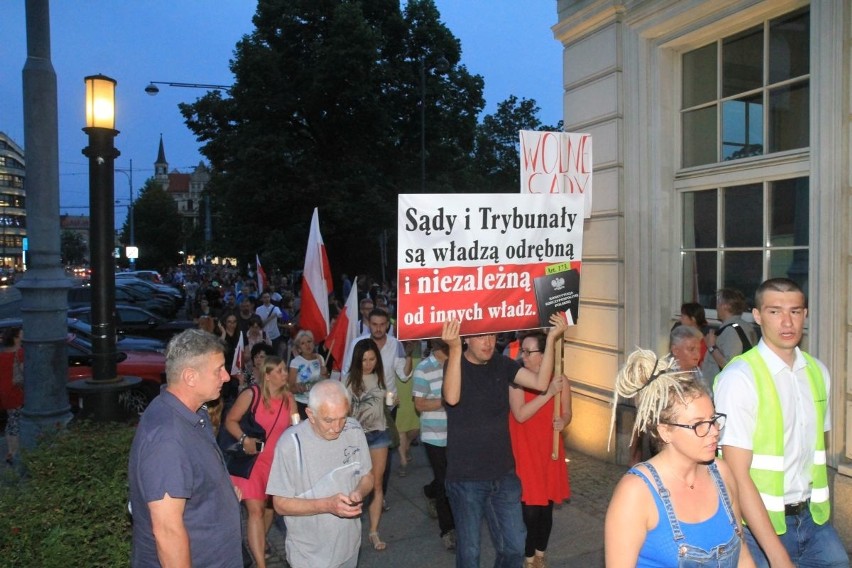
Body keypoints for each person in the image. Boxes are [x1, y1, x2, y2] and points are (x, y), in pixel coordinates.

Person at [714, 278, 849, 567]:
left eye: (795, 311)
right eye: (775, 311)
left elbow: (813, 456)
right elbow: (736, 474)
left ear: (805, 314)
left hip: (813, 521)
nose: (787, 322)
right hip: (755, 526)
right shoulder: (740, 378)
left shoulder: (817, 372)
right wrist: (777, 556)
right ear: (758, 316)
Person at [605, 347, 754, 567]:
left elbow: (742, 557)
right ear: (665, 431)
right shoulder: (636, 493)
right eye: (699, 424)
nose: (714, 431)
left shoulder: (721, 473)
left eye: (713, 419)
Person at [440, 313, 568, 568]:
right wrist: (453, 349)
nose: (488, 342)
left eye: (492, 335)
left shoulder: (503, 364)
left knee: (514, 547)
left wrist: (552, 338)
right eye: (479, 336)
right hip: (466, 478)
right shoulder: (454, 363)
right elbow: (452, 398)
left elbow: (541, 383)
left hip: (503, 475)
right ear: (466, 340)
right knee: (470, 552)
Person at [128, 328, 242, 567]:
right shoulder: (167, 438)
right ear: (190, 377)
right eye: (218, 370)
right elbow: (168, 531)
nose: (226, 377)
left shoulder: (191, 414)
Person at [267, 380, 373, 568]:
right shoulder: (290, 444)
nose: (338, 427)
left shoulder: (354, 429)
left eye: (343, 417)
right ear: (310, 414)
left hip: (350, 547)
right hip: (311, 557)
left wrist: (358, 492)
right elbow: (280, 504)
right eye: (329, 420)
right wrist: (327, 505)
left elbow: (368, 476)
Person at [509, 331, 572, 568]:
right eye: (522, 351)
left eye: (528, 351)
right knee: (530, 510)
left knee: (545, 507)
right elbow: (521, 414)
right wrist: (548, 394)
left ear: (545, 355)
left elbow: (567, 412)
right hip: (525, 449)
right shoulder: (515, 378)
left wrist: (564, 421)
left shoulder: (560, 380)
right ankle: (528, 557)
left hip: (549, 449)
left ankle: (540, 554)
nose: (523, 355)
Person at [225, 355, 294, 568]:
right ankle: (261, 563)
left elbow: (295, 429)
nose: (285, 374)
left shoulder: (288, 398)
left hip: (276, 463)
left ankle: (258, 541)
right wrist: (244, 439)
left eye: (285, 370)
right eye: (280, 371)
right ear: (267, 375)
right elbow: (230, 421)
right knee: (255, 510)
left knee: (270, 508)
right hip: (253, 461)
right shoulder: (251, 395)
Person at [345, 338, 391, 551]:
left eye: (372, 359)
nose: (369, 363)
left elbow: (387, 403)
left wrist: (393, 401)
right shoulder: (348, 381)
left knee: (377, 483)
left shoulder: (380, 378)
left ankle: (373, 531)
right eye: (364, 360)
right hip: (355, 438)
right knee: (354, 486)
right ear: (357, 360)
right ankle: (349, 531)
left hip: (378, 435)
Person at [412, 338, 456, 550]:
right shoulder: (423, 368)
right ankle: (448, 530)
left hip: (458, 434)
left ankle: (430, 491)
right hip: (434, 435)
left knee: (448, 478)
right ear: (437, 344)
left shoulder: (458, 364)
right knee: (445, 481)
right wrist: (445, 400)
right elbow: (419, 404)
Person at [702, 288, 759, 378]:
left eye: (718, 303)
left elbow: (730, 366)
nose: (716, 307)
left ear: (725, 306)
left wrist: (711, 347)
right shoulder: (747, 327)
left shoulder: (732, 331)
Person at [288, 329, 328, 420]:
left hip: (317, 403)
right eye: (303, 343)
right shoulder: (295, 362)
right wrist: (299, 388)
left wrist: (325, 373)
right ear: (299, 348)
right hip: (301, 404)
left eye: (309, 341)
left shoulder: (320, 358)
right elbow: (290, 388)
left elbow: (325, 382)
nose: (307, 345)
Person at [0, 327, 23, 465]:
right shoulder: (20, 354)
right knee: (16, 421)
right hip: (17, 391)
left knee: (11, 420)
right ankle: (14, 453)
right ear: (16, 338)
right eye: (21, 334)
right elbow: (24, 372)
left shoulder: (2, 356)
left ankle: (11, 450)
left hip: (5, 392)